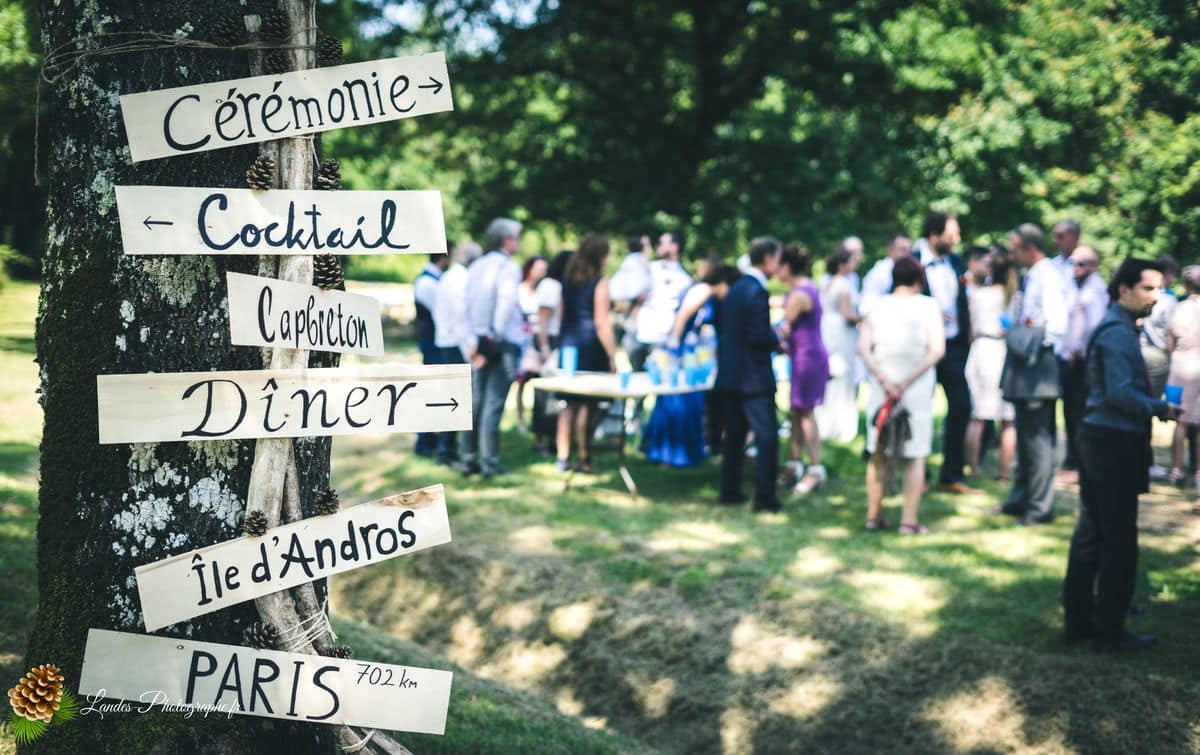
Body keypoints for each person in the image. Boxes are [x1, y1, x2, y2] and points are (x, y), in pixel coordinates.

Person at [1062, 257, 1181, 652]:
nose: (1156, 296)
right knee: (1116, 539)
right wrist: (1159, 408)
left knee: (1094, 533)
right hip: (1110, 442)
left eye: (1159, 288)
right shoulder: (1115, 333)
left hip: (1104, 439)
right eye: (1148, 288)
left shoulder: (1123, 327)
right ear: (1124, 290)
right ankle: (1108, 631)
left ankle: (1081, 623)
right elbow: (1118, 394)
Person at [858, 256, 945, 534]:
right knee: (915, 455)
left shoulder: (876, 306)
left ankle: (874, 515)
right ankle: (908, 520)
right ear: (919, 280)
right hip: (914, 387)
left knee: (878, 451)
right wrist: (904, 382)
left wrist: (884, 379)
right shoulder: (929, 306)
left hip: (883, 386)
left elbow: (863, 348)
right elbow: (937, 350)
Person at [997, 223, 1068, 525]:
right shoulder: (1031, 275)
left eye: (1015, 249)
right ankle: (1020, 499)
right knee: (1025, 438)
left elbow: (1057, 324)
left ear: (1029, 248)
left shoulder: (1047, 275)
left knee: (1038, 441)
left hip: (1038, 366)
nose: (1012, 256)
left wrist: (1028, 341)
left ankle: (1039, 507)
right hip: (1026, 365)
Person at [642, 264, 740, 467]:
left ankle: (684, 452)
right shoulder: (702, 291)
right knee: (681, 400)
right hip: (683, 352)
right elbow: (682, 318)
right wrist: (674, 347)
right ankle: (671, 454)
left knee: (690, 401)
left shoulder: (708, 295)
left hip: (693, 352)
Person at [717, 236, 784, 512]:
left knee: (734, 435)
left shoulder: (736, 288)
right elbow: (757, 335)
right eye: (777, 258)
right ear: (767, 258)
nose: (778, 265)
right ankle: (765, 496)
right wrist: (777, 338)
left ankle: (730, 489)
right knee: (767, 435)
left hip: (731, 373)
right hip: (752, 377)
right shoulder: (756, 291)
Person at [458, 217, 525, 479]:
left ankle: (468, 458)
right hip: (500, 342)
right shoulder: (508, 267)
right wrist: (494, 335)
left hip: (476, 341)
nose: (519, 243)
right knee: (493, 404)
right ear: (507, 240)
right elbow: (505, 302)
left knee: (475, 403)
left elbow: (464, 305)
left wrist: (472, 341)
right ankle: (490, 462)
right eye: (517, 238)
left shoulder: (477, 266)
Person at [916, 211, 978, 495]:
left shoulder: (956, 262)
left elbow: (963, 300)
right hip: (923, 348)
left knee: (962, 406)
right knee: (920, 409)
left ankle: (951, 474)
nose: (957, 239)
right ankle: (919, 473)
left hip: (953, 347)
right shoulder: (912, 262)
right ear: (934, 236)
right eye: (952, 234)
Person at [556, 234, 618, 473]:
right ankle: (584, 456)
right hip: (590, 344)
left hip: (568, 344)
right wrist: (612, 354)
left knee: (568, 402)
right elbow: (602, 321)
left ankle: (563, 456)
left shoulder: (567, 280)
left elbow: (562, 315)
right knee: (587, 404)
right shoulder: (600, 282)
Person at [776, 245, 829, 494]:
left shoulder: (798, 294)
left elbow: (784, 327)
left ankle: (815, 468)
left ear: (787, 266)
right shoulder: (805, 287)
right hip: (802, 355)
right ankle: (794, 463)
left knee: (805, 412)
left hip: (807, 357)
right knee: (796, 411)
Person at [1056, 246, 1109, 482]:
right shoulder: (1076, 286)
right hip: (1072, 361)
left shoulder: (1095, 290)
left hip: (1082, 363)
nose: (1075, 268)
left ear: (1094, 267)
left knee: (1079, 414)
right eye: (1073, 263)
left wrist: (1077, 352)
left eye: (1081, 263)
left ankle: (1079, 464)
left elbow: (1093, 327)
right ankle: (1073, 460)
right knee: (1071, 413)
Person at [964, 246, 1017, 481]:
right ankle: (1003, 473)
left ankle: (973, 468)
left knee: (977, 415)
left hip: (979, 350)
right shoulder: (1011, 296)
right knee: (1007, 417)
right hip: (999, 350)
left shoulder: (977, 294)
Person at [431, 240, 482, 465]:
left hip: (444, 341)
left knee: (449, 398)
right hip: (455, 345)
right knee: (457, 401)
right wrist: (468, 350)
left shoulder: (447, 277)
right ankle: (448, 451)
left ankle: (447, 449)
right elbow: (461, 318)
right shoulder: (463, 279)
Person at [814, 248, 861, 443]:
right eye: (852, 261)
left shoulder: (829, 282)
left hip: (828, 329)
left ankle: (826, 422)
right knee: (843, 374)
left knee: (832, 374)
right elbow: (847, 314)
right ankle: (840, 425)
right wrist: (866, 318)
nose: (855, 264)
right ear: (842, 264)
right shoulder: (843, 284)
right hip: (841, 333)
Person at [629, 232, 692, 371]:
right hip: (639, 332)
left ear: (674, 247)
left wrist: (675, 337)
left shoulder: (684, 279)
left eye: (661, 243)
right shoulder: (650, 267)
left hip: (662, 337)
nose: (658, 246)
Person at [530, 250, 572, 454]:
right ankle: (540, 438)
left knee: (555, 395)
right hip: (548, 341)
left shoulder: (562, 285)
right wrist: (545, 346)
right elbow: (543, 320)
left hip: (558, 341)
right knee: (544, 393)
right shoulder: (550, 285)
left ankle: (553, 437)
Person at [412, 253, 450, 458]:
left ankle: (431, 439)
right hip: (432, 345)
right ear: (443, 257)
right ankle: (424, 442)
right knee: (431, 391)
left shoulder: (433, 280)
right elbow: (441, 312)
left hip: (435, 344)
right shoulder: (427, 283)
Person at [1166, 266, 1200, 488]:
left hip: (1179, 369)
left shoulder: (1179, 308)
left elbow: (1170, 343)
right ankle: (1198, 473)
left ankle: (1176, 469)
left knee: (1179, 421)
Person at [514, 256, 548, 433]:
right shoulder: (519, 289)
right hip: (523, 341)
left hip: (536, 340)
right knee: (521, 382)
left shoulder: (542, 291)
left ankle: (539, 422)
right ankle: (521, 420)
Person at [1140, 255, 1178, 402]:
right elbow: (1172, 330)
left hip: (1142, 349)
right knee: (1154, 398)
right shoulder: (1168, 300)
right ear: (1167, 275)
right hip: (1161, 354)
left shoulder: (1143, 295)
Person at [859, 233, 914, 316]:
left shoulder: (910, 271)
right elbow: (865, 306)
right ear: (890, 250)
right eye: (902, 249)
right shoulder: (879, 273)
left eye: (909, 250)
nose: (907, 254)